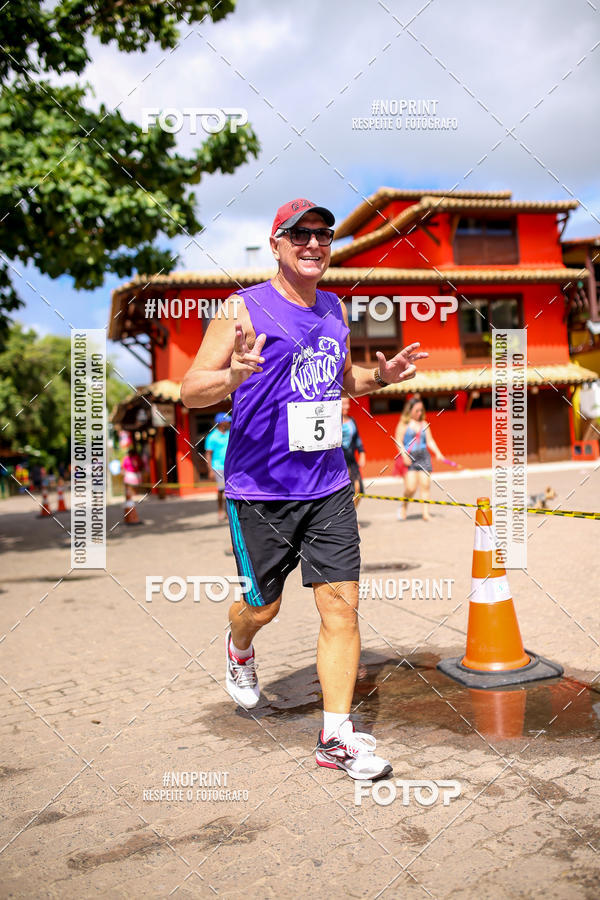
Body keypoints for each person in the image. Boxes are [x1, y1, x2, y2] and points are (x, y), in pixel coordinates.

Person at [181, 197, 428, 781]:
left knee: (341, 610)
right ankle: (239, 645)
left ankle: (336, 736)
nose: (314, 243)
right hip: (260, 492)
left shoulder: (334, 311)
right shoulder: (241, 310)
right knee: (262, 609)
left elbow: (345, 380)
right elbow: (191, 390)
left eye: (324, 234)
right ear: (276, 244)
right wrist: (232, 375)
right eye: (300, 234)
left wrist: (381, 377)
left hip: (327, 486)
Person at [395, 396, 444, 522]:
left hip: (423, 455)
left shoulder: (424, 424)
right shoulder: (403, 424)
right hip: (410, 456)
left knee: (425, 485)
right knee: (411, 487)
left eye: (421, 410)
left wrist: (438, 453)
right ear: (409, 410)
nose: (420, 413)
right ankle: (404, 506)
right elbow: (398, 441)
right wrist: (404, 455)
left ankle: (426, 513)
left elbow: (430, 440)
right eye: (417, 410)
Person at [205, 413, 231, 522]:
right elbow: (208, 454)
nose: (229, 423)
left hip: (230, 466)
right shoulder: (212, 437)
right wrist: (210, 470)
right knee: (221, 490)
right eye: (227, 421)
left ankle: (228, 512)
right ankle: (220, 510)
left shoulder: (230, 433)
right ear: (221, 423)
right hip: (218, 467)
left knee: (229, 491)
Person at [341, 397, 366, 509]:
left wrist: (362, 453)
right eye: (344, 404)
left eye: (348, 403)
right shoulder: (331, 421)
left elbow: (357, 439)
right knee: (344, 491)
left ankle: (353, 514)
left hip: (351, 460)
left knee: (358, 488)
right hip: (338, 462)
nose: (347, 406)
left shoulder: (352, 421)